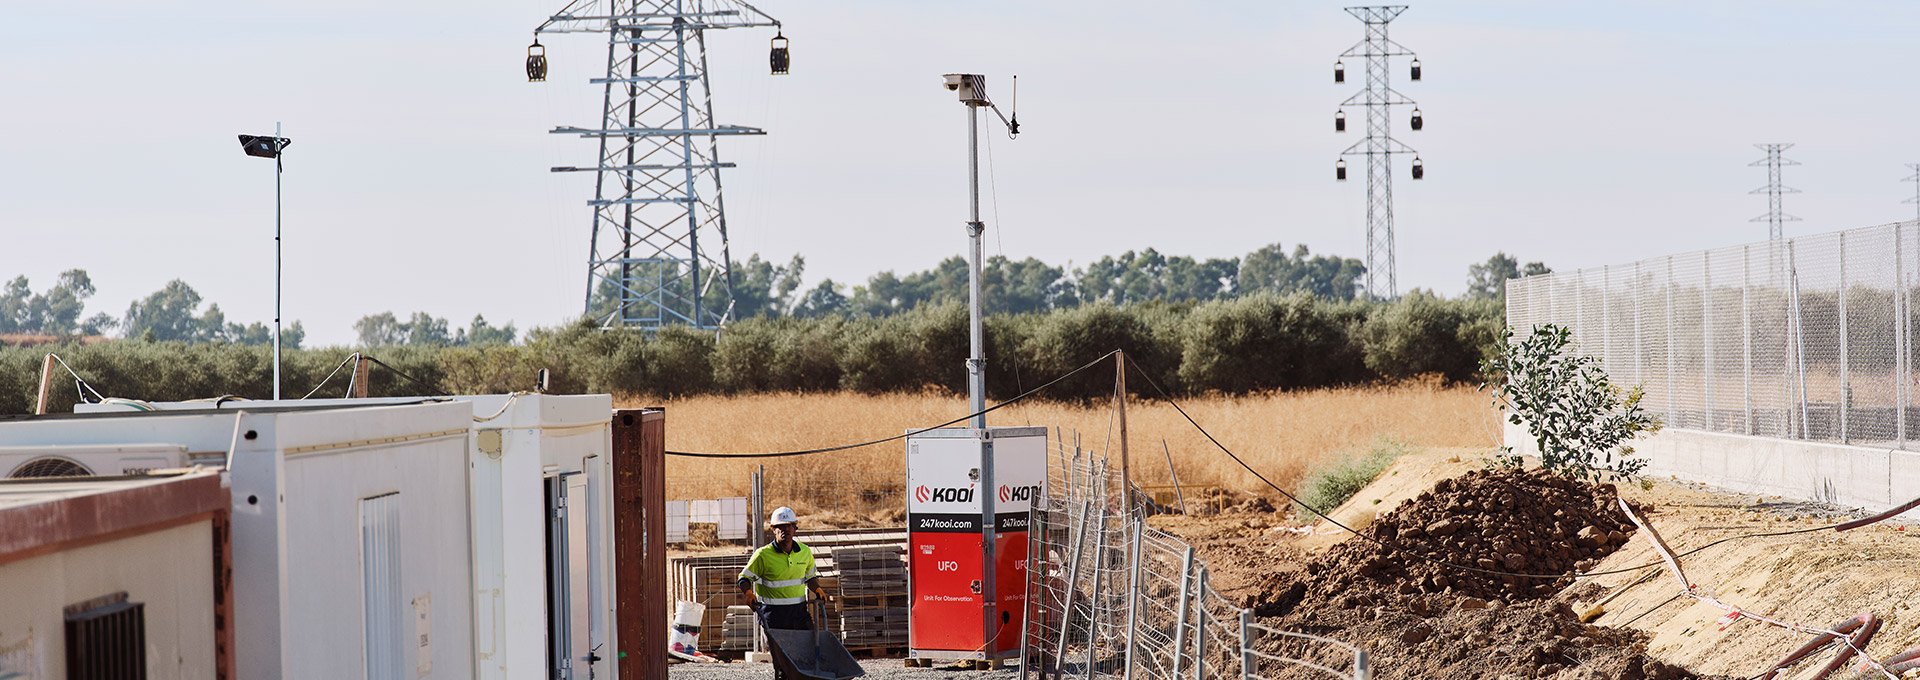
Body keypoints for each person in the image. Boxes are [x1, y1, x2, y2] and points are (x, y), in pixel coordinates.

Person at [738, 506, 829, 679]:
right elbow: (744, 578)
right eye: (780, 527)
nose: (784, 530)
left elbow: (810, 577)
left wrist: (817, 588)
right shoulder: (763, 555)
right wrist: (748, 593)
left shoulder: (804, 552)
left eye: (788, 526)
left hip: (798, 613)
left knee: (808, 655)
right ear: (773, 529)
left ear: (795, 528)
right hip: (773, 615)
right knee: (783, 664)